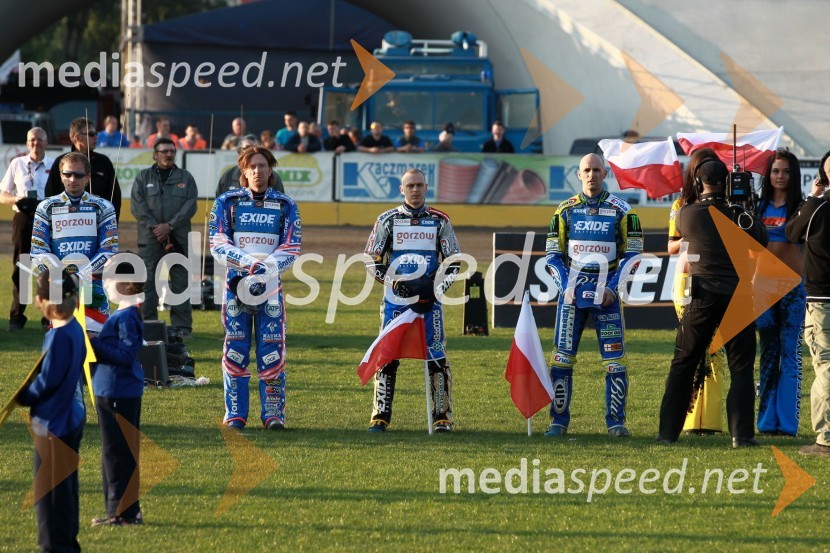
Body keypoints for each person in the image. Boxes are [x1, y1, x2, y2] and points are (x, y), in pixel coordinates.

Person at [657, 158, 767, 447]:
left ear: (697, 182)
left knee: (683, 363)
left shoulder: (688, 215)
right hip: (740, 297)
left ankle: (667, 434)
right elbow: (761, 240)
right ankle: (741, 436)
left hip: (702, 295)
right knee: (741, 368)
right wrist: (745, 209)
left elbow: (683, 237)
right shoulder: (738, 214)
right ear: (728, 183)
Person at [544, 153, 643, 438]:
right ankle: (558, 422)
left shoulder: (625, 211)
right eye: (586, 170)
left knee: (615, 362)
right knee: (562, 359)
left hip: (607, 297)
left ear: (605, 173)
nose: (591, 174)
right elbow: (553, 256)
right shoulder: (564, 210)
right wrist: (567, 287)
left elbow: (633, 256)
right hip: (571, 297)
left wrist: (612, 288)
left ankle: (616, 423)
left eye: (596, 169)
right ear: (578, 174)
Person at [209, 146, 301, 430]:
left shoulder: (285, 205)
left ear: (271, 170)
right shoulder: (227, 202)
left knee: (271, 351)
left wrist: (264, 269)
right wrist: (250, 264)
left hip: (270, 288)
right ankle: (235, 414)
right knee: (235, 349)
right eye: (252, 167)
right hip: (235, 287)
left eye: (263, 166)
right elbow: (218, 242)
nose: (258, 172)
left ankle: (273, 415)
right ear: (243, 172)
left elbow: (292, 246)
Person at [363, 168, 461, 432]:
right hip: (395, 303)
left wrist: (437, 289)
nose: (415, 190)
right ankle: (380, 416)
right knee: (387, 356)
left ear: (426, 187)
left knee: (436, 357)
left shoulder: (440, 220)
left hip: (431, 303)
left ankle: (442, 416)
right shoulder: (387, 220)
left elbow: (453, 262)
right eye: (410, 186)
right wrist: (393, 282)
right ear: (401, 189)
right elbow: (371, 259)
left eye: (419, 185)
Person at [16, 271, 85, 552]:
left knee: (49, 492)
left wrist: (25, 396)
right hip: (70, 417)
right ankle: (67, 539)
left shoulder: (57, 337)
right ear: (76, 300)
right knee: (66, 487)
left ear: (40, 301)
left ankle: (55, 544)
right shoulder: (75, 329)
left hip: (53, 422)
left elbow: (48, 381)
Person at [668, 148, 726, 435]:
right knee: (689, 351)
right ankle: (689, 419)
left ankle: (710, 420)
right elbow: (670, 246)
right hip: (686, 279)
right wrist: (694, 233)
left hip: (716, 281)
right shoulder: (681, 205)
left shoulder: (726, 205)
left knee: (714, 351)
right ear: (694, 173)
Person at [32, 152, 118, 323]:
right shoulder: (46, 207)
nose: (72, 179)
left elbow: (109, 250)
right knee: (64, 342)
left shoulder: (104, 207)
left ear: (87, 177)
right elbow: (38, 251)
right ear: (61, 176)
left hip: (94, 288)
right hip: (61, 288)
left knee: (96, 341)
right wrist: (63, 277)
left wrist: (81, 276)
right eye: (67, 174)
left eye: (78, 175)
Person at [90, 259, 144, 526]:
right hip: (109, 388)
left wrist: (95, 344)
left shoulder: (128, 316)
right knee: (112, 453)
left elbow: (125, 355)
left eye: (111, 278)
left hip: (119, 391)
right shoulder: (121, 313)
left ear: (128, 284)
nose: (106, 284)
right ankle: (119, 511)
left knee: (119, 453)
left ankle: (125, 513)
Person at [756, 149, 805, 436]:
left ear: (793, 175)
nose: (780, 176)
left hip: (793, 288)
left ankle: (787, 423)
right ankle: (765, 422)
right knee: (768, 352)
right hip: (763, 287)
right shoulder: (758, 206)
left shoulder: (801, 206)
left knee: (790, 352)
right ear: (769, 175)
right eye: (775, 171)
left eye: (785, 171)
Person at [130, 138, 198, 340]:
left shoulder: (186, 177)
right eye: (164, 151)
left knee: (180, 282)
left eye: (172, 151)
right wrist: (156, 227)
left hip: (179, 238)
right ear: (155, 154)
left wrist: (170, 226)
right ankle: (148, 324)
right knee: (148, 282)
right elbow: (137, 206)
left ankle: (182, 328)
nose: (169, 155)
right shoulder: (143, 178)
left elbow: (191, 205)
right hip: (150, 239)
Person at [785, 150, 830, 456]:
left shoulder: (817, 207)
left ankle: (826, 439)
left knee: (826, 366)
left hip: (822, 300)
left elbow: (791, 232)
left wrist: (812, 196)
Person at [1, 127, 53, 330]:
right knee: (22, 267)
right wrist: (17, 199)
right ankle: (16, 317)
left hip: (47, 218)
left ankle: (49, 317)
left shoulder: (54, 164)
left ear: (46, 143)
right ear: (26, 143)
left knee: (48, 267)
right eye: (32, 140)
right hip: (22, 218)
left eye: (40, 139)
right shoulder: (17, 164)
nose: (35, 143)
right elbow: (2, 194)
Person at [45, 117, 122, 221]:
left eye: (96, 134)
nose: (96, 137)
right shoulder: (61, 162)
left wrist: (111, 224)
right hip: (66, 226)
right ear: (77, 137)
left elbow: (115, 197)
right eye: (91, 134)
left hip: (98, 226)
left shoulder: (104, 162)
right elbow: (50, 195)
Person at [215, 135, 285, 196]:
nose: (252, 152)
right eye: (247, 148)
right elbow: (219, 202)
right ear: (239, 152)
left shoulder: (274, 177)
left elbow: (282, 205)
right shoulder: (228, 175)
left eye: (255, 148)